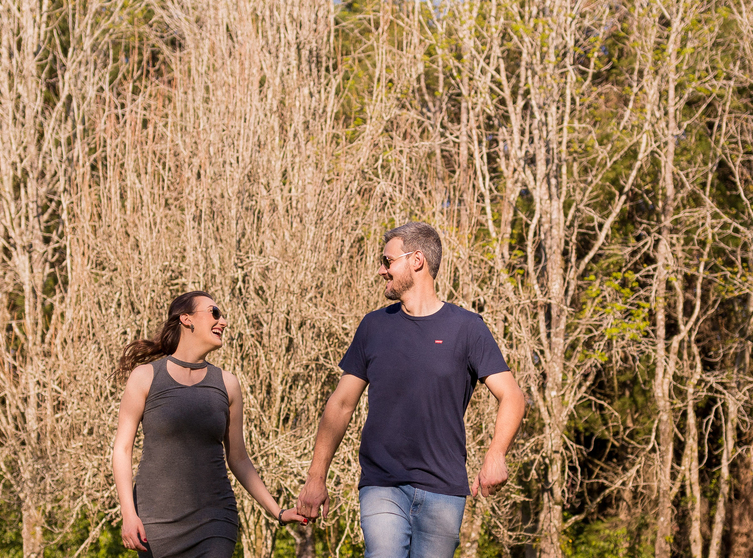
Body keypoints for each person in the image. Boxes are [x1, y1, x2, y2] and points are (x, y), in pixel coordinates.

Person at [296, 222, 526, 558]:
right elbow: (341, 404)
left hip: (443, 489)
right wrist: (316, 477)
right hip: (381, 483)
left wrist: (496, 453)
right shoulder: (374, 326)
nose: (381, 270)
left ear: (416, 260)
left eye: (387, 261)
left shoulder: (467, 328)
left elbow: (512, 395)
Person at [113, 291, 307, 557]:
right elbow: (122, 450)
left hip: (214, 521)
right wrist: (128, 513)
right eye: (215, 313)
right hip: (155, 523)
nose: (223, 321)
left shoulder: (227, 384)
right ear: (186, 319)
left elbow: (238, 459)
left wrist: (278, 512)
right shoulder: (145, 377)